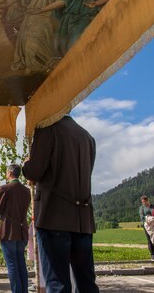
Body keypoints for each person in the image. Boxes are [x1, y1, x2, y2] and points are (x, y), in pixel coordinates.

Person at [23, 114, 99, 293]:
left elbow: (35, 171)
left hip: (54, 216)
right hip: (83, 220)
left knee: (58, 283)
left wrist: (27, 165)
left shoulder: (46, 128)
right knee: (86, 282)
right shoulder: (87, 137)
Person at [0, 164, 31, 293]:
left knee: (12, 265)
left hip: (8, 231)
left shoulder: (4, 189)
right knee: (21, 264)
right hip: (21, 231)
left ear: (9, 173)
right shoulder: (26, 190)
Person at [139, 195, 154, 261]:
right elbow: (142, 216)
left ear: (147, 200)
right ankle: (152, 255)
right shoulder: (142, 208)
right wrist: (148, 219)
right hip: (147, 225)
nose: (144, 203)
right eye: (143, 202)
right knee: (149, 240)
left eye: (145, 201)